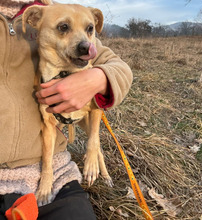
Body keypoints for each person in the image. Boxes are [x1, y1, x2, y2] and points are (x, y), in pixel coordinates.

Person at [0, 0, 133, 219]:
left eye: (90, 30)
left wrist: (96, 78)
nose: (84, 41)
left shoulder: (60, 12)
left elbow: (118, 67)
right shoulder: (49, 16)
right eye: (63, 29)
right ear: (34, 21)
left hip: (52, 168)